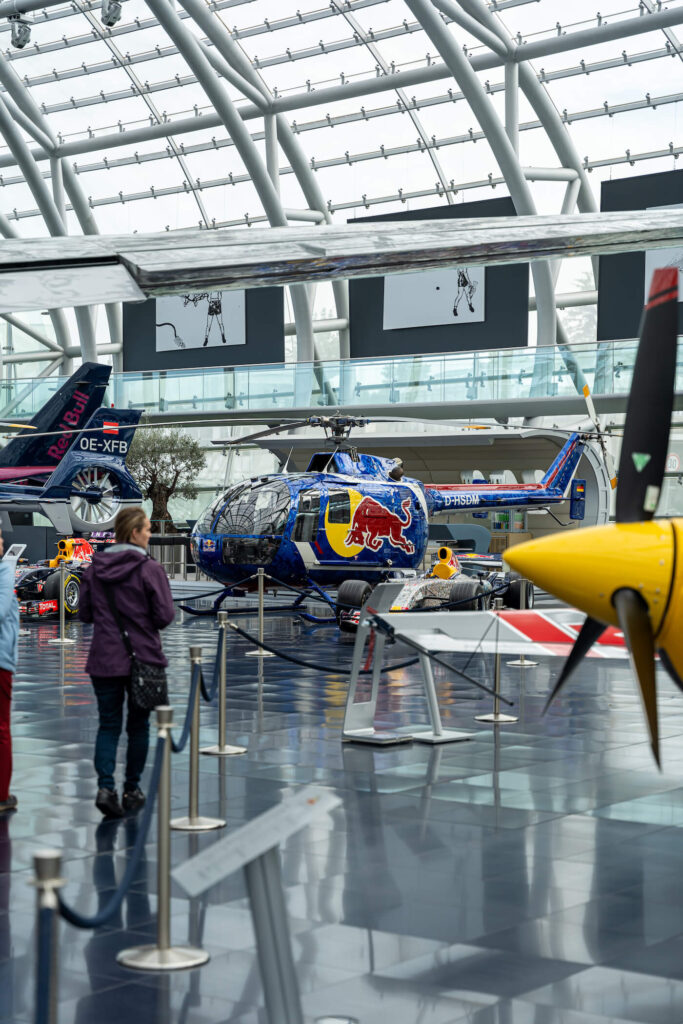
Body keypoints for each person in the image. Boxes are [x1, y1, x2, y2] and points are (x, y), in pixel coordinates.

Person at [80, 508, 175, 818]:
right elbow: (164, 617)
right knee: (138, 728)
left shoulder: (94, 569)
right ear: (134, 532)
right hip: (142, 660)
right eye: (147, 529)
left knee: (108, 726)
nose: (150, 534)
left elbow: (85, 614)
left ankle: (105, 787)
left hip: (104, 660)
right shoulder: (150, 569)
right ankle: (132, 789)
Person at [0, 531, 18, 816]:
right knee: (2, 728)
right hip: (1, 660)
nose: (3, 542)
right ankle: (1, 795)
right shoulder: (3, 570)